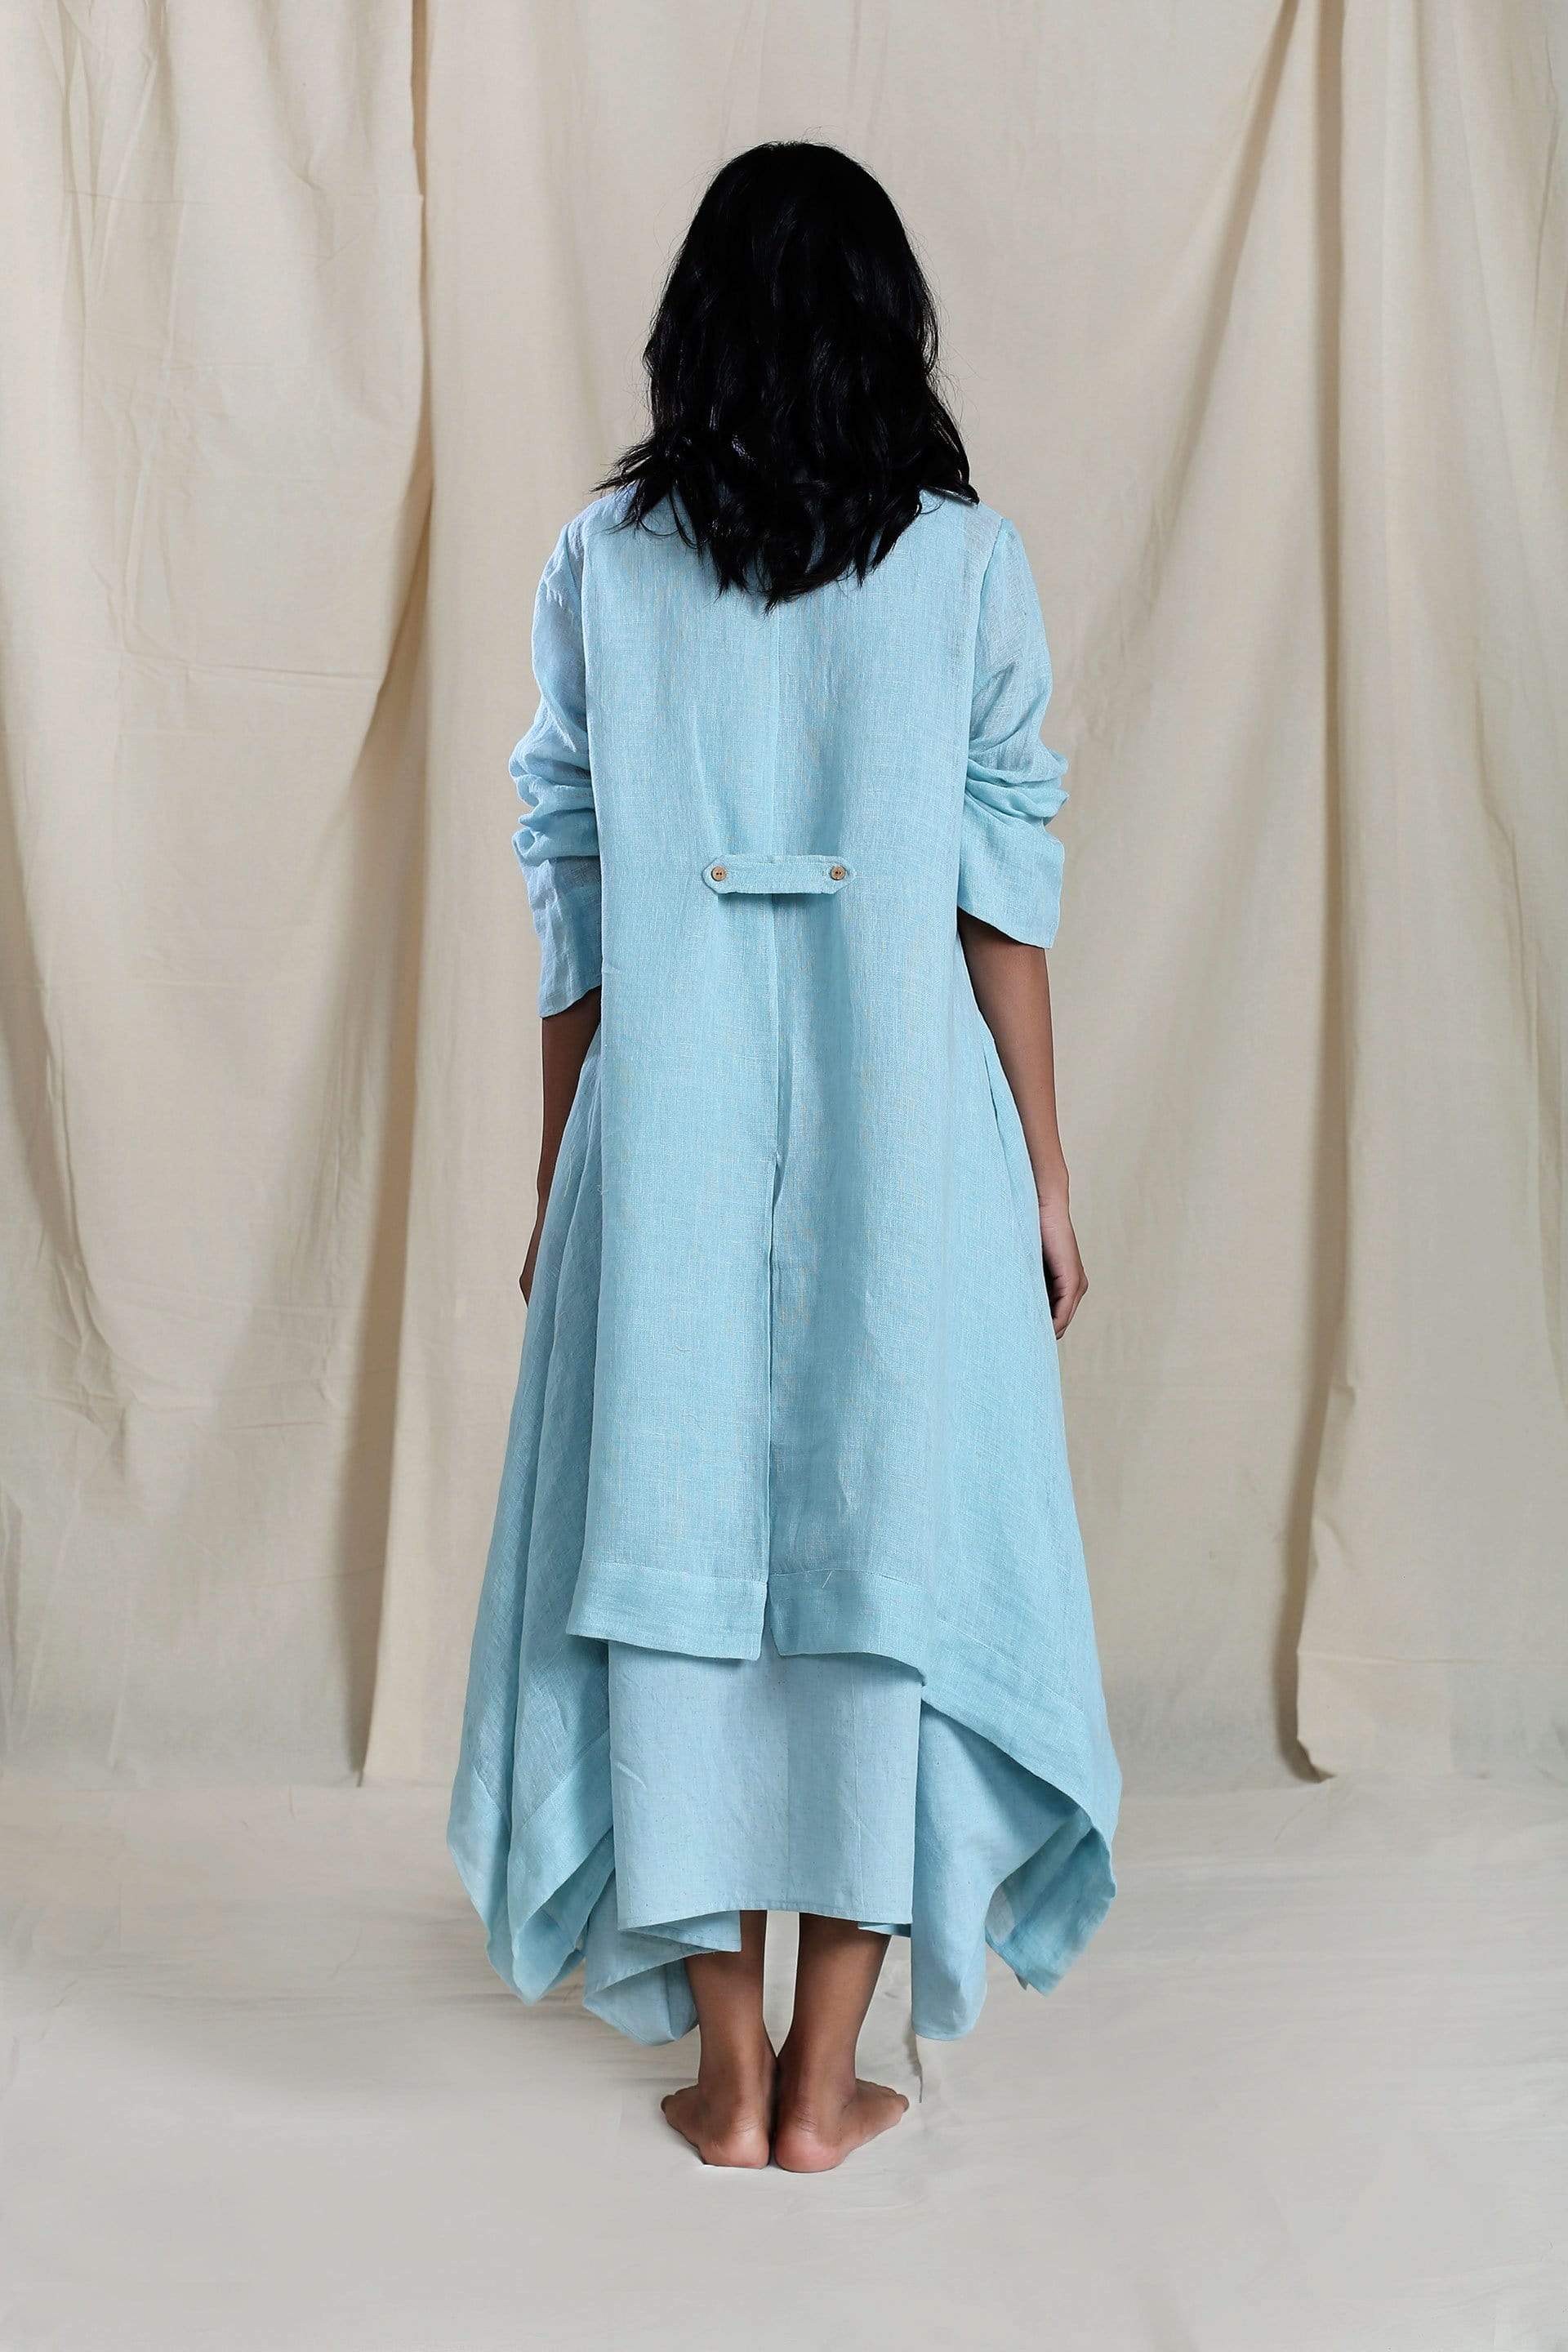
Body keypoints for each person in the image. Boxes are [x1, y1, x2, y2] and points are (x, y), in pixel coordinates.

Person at [448, 140, 1120, 2172]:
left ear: (699, 334)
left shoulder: (601, 564)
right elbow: (1001, 898)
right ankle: (831, 2088)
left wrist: (559, 1170)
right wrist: (1047, 1175)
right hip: (910, 1140)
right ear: (885, 331)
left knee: (670, 1559)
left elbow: (570, 893)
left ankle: (726, 2080)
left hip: (665, 1132)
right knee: (880, 1557)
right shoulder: (967, 567)